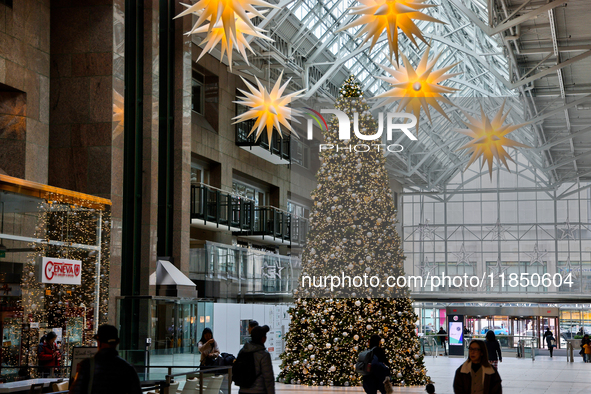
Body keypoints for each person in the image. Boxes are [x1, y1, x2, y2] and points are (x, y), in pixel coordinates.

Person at [69, 324, 141, 394]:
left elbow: (75, 391)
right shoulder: (127, 368)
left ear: (99, 343)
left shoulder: (87, 365)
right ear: (117, 342)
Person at [236, 325, 275, 394]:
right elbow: (268, 378)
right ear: (263, 339)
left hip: (243, 390)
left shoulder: (243, 351)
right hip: (258, 390)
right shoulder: (264, 354)